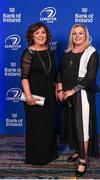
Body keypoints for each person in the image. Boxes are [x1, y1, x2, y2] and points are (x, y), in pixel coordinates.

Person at [57, 24, 99, 177]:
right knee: (72, 124)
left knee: (82, 127)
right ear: (71, 36)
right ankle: (78, 150)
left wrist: (71, 91)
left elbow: (90, 77)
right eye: (74, 34)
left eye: (81, 33)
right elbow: (60, 72)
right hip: (66, 94)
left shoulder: (91, 52)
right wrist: (60, 90)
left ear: (86, 35)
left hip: (81, 93)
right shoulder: (67, 53)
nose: (77, 36)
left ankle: (83, 159)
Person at [21, 22, 58, 165]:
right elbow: (24, 77)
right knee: (36, 127)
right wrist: (28, 96)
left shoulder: (49, 50)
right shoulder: (28, 53)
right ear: (32, 36)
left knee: (49, 126)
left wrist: (56, 89)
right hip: (34, 97)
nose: (41, 35)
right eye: (37, 33)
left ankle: (50, 155)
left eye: (43, 32)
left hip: (49, 95)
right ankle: (37, 158)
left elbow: (52, 74)